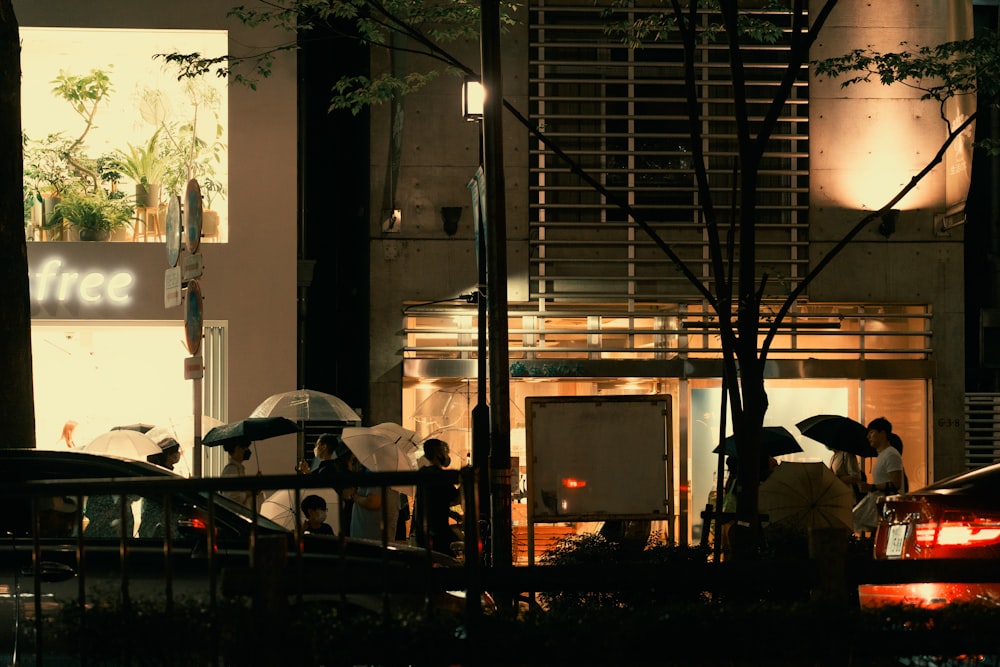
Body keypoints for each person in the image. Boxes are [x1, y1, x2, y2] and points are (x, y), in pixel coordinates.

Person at [853, 417, 906, 533]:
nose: (868, 437)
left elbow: (896, 484)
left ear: (882, 434)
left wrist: (871, 487)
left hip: (887, 510)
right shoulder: (883, 455)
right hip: (880, 508)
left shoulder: (891, 455)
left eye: (871, 432)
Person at [410, 438, 462, 555]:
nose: (446, 455)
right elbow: (456, 499)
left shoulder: (423, 473)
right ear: (437, 453)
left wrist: (450, 513)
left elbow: (433, 502)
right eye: (444, 451)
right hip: (438, 533)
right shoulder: (440, 475)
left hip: (422, 532)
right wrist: (466, 480)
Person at [298, 433, 356, 535]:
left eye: (317, 445)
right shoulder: (330, 467)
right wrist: (306, 472)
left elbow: (317, 485)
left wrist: (307, 474)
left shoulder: (327, 469)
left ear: (324, 446)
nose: (315, 448)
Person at [221, 440, 259, 508]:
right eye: (245, 447)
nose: (247, 450)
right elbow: (234, 498)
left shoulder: (238, 469)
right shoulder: (231, 470)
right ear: (237, 448)